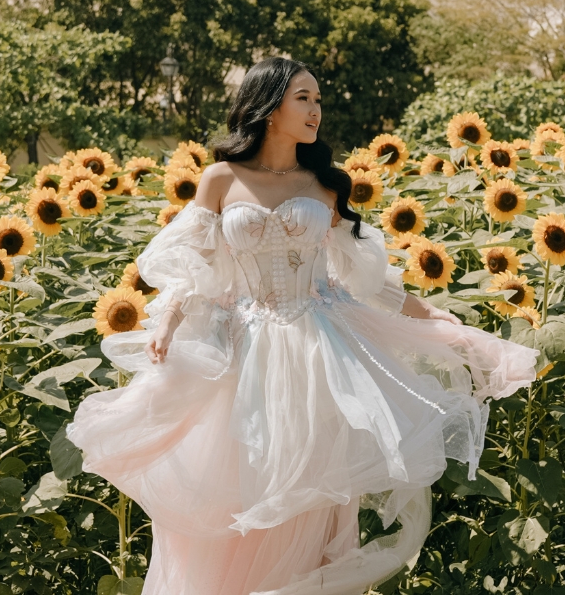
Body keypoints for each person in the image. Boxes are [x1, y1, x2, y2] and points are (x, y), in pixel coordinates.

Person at [68, 57, 539, 595]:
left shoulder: (324, 185)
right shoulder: (221, 178)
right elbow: (195, 269)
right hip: (241, 359)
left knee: (313, 501)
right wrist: (167, 323)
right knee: (236, 498)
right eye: (303, 98)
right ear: (269, 108)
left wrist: (431, 315)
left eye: (318, 100)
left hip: (319, 355)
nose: (316, 110)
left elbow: (361, 278)